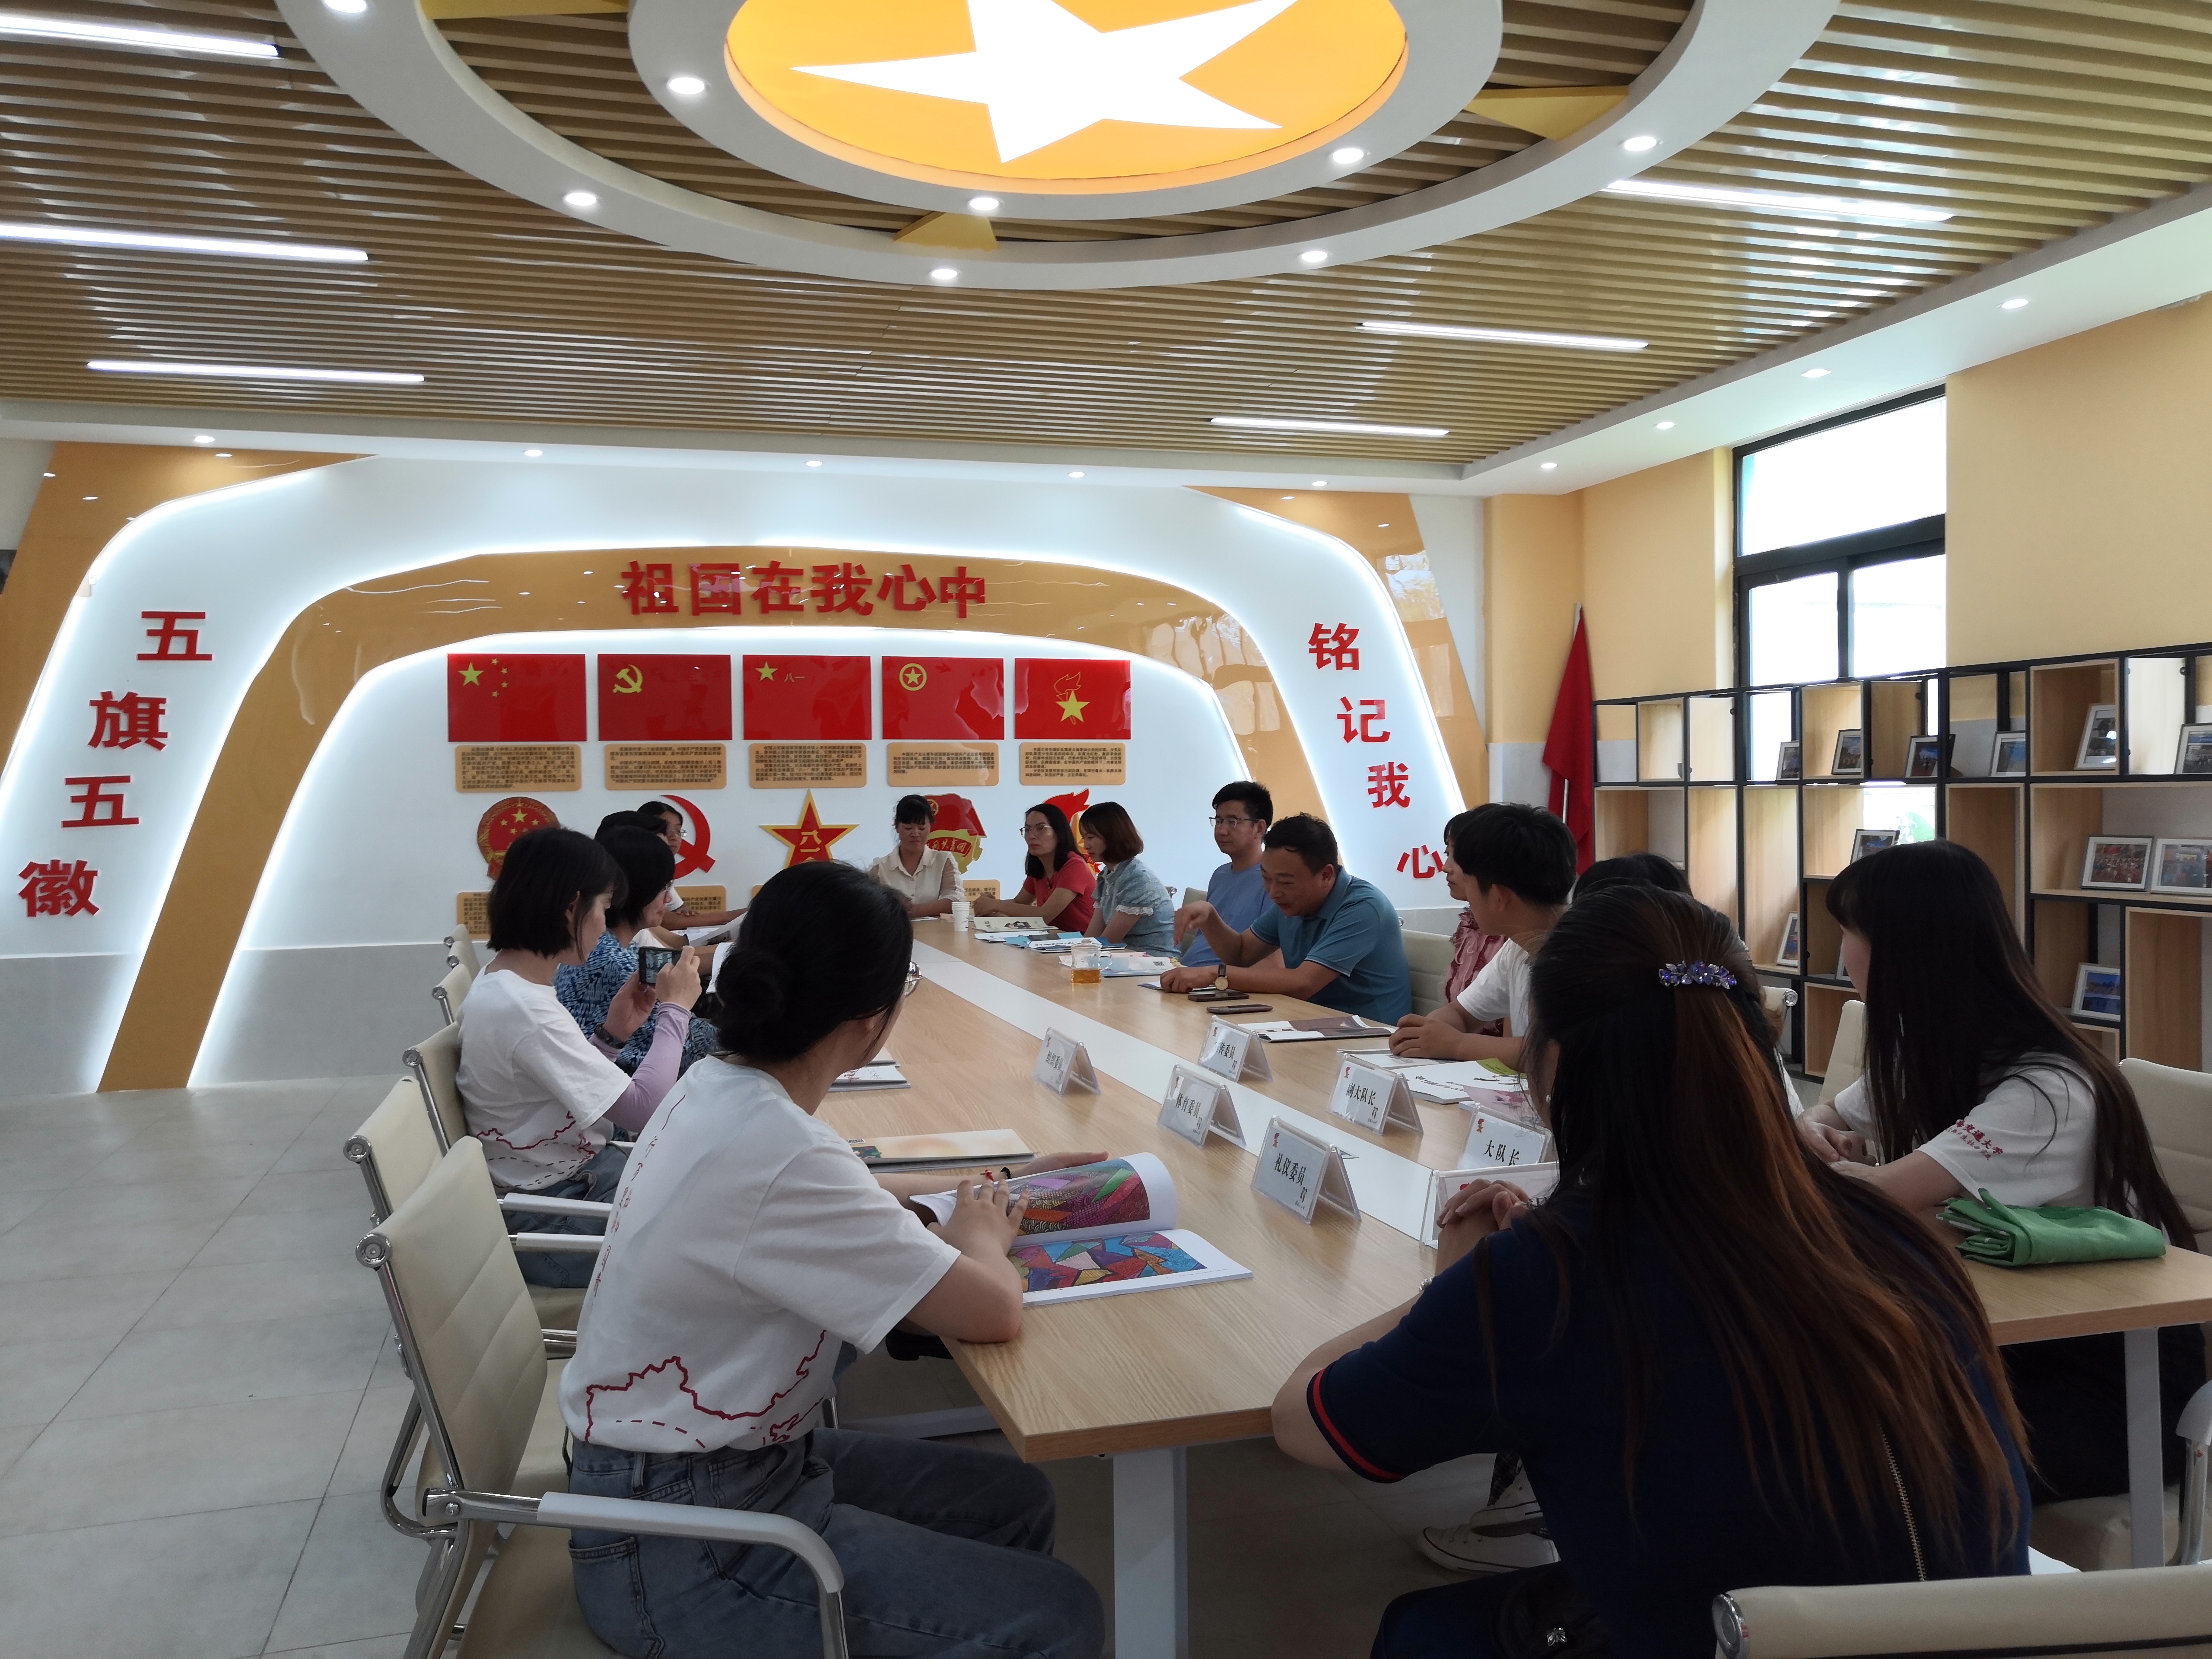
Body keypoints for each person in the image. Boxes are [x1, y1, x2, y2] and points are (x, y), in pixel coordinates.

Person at [1274, 886, 2030, 1659]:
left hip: (1742, 1638)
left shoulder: (1548, 1277)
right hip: (1986, 1638)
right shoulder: (1892, 1233)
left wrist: (1452, 1288)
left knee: (1423, 1630)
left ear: (1553, 1064)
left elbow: (1305, 1422)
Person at [559, 861, 1107, 1659]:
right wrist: (985, 1236)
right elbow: (993, 1309)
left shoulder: (718, 1085)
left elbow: (845, 1188)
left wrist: (1001, 1184)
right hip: (684, 1545)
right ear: (873, 1021)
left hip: (699, 1473)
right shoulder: (779, 1147)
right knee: (1060, 1614)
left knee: (1011, 1499)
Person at [1799, 839, 2206, 1503]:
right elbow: (1823, 1116)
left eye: (1850, 933)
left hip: (2110, 1383)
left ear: (1905, 951)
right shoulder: (1927, 1050)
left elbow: (1874, 1203)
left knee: (1855, 1457)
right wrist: (1814, 1132)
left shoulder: (2048, 1091)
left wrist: (1822, 1160)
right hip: (1997, 1343)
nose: (1842, 954)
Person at [1415, 841, 1694, 1574]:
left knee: (1553, 1311)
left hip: (1686, 1581)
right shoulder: (1704, 1028)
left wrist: (1455, 1287)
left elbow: (1316, 1421)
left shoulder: (1623, 1044)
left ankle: (1535, 1505)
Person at [455, 826, 700, 1288]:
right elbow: (644, 1110)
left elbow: (546, 1089)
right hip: (558, 1218)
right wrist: (676, 1010)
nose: (604, 924)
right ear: (573, 907)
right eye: (604, 908)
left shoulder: (507, 984)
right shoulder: (525, 1009)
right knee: (723, 1237)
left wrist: (611, 1035)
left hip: (570, 1186)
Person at [1163, 815, 1410, 1023]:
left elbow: (1303, 983)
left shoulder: (1363, 907)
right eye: (1266, 878)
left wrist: (1216, 974)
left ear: (1326, 875)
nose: (1273, 892)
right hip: (1308, 1019)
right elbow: (1241, 954)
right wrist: (1210, 917)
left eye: (1285, 882)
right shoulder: (1294, 903)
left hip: (1367, 1035)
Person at [1389, 803, 1575, 1068]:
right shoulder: (1517, 947)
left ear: (1499, 897)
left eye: (1470, 883)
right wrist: (1426, 1034)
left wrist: (1456, 1044)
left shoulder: (1585, 954)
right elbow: (1462, 1014)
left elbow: (1555, 1054)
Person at [555, 824, 717, 1077]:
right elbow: (692, 1049)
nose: (668, 899)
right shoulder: (616, 964)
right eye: (663, 888)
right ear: (638, 889)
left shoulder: (608, 946)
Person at [1176, 780, 1276, 971]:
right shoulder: (1220, 875)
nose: (1222, 831)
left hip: (1222, 979)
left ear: (1260, 828)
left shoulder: (1274, 881)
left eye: (1233, 822)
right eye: (1219, 821)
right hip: (1187, 971)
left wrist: (1215, 976)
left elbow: (1270, 961)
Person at [972, 802, 1096, 931]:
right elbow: (1018, 903)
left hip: (1083, 940)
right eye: (1028, 830)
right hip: (1054, 937)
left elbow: (1045, 916)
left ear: (1059, 833)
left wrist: (997, 905)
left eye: (1041, 828)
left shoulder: (1075, 866)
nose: (1031, 836)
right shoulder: (1040, 866)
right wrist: (987, 907)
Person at [1439, 810, 1507, 1033]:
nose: (1445, 867)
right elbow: (1459, 1013)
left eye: (1457, 858)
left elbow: (1519, 1047)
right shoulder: (1471, 924)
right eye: (1447, 854)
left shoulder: (1517, 939)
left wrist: (1454, 1044)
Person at [1077, 800, 1176, 953]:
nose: (1086, 846)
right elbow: (1092, 937)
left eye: (1091, 837)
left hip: (1154, 958)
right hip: (1124, 956)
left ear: (1112, 836)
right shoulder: (1107, 875)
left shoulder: (1137, 879)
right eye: (1084, 838)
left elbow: (1108, 941)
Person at [639, 799, 744, 929]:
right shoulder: (642, 870)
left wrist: (686, 913)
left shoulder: (663, 870)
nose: (674, 837)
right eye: (666, 830)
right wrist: (737, 916)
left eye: (678, 831)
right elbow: (670, 921)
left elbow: (680, 911)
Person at [867, 794, 963, 917]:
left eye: (922, 828)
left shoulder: (944, 861)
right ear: (897, 827)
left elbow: (956, 901)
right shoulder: (880, 868)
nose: (916, 834)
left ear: (931, 827)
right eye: (908, 828)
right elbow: (868, 904)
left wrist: (910, 910)